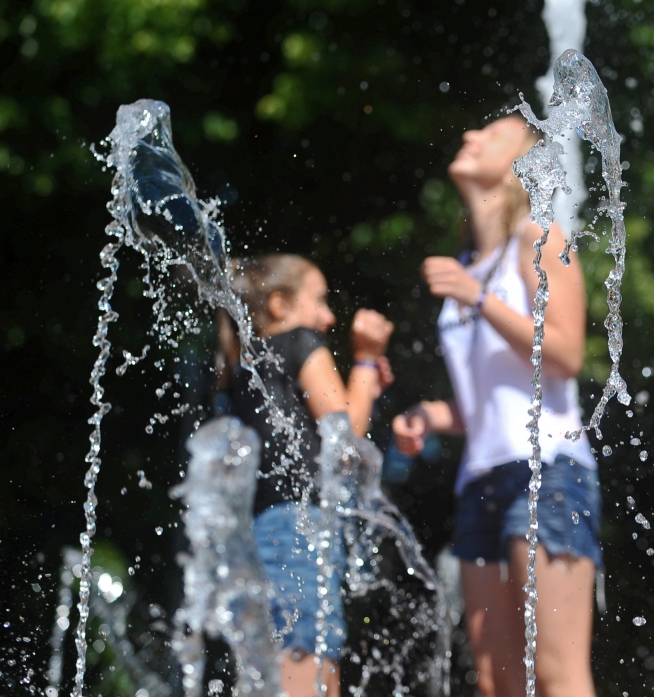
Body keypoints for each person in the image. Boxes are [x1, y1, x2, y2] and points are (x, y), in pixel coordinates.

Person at [392, 115, 600, 697]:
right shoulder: (467, 267)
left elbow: (565, 354)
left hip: (548, 472)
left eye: (492, 135)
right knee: (496, 682)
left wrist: (479, 298)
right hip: (479, 478)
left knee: (557, 673)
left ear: (519, 167)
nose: (470, 137)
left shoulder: (538, 240)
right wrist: (433, 416)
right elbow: (492, 400)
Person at [219, 254, 394, 697]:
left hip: (260, 530)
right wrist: (366, 361)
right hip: (297, 528)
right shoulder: (299, 342)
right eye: (319, 300)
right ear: (279, 304)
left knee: (285, 663)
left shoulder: (244, 368)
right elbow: (345, 437)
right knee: (308, 661)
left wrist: (366, 386)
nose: (328, 316)